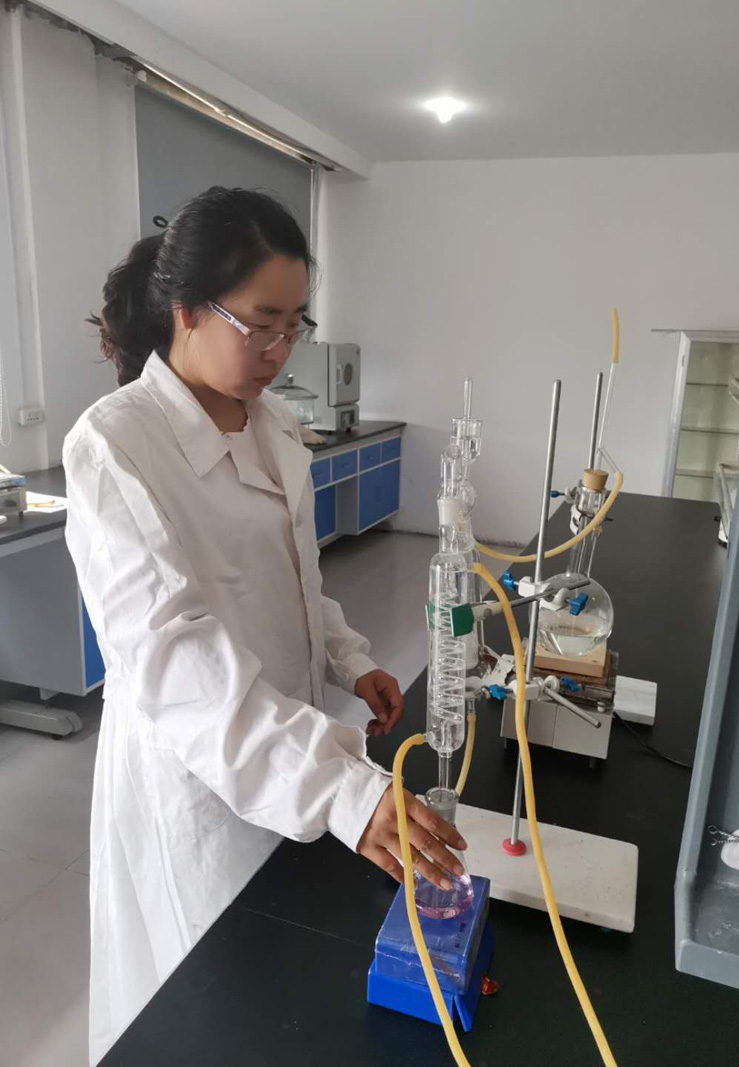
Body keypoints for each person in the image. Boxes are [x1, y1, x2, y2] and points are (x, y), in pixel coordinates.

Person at [64, 187, 466, 1064]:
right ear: (186, 309)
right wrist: (342, 789)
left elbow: (296, 574)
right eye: (261, 324)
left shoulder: (275, 423)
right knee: (212, 1003)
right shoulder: (116, 446)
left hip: (292, 742)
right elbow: (177, 663)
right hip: (196, 769)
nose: (281, 353)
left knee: (287, 978)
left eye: (295, 326)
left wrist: (349, 658)